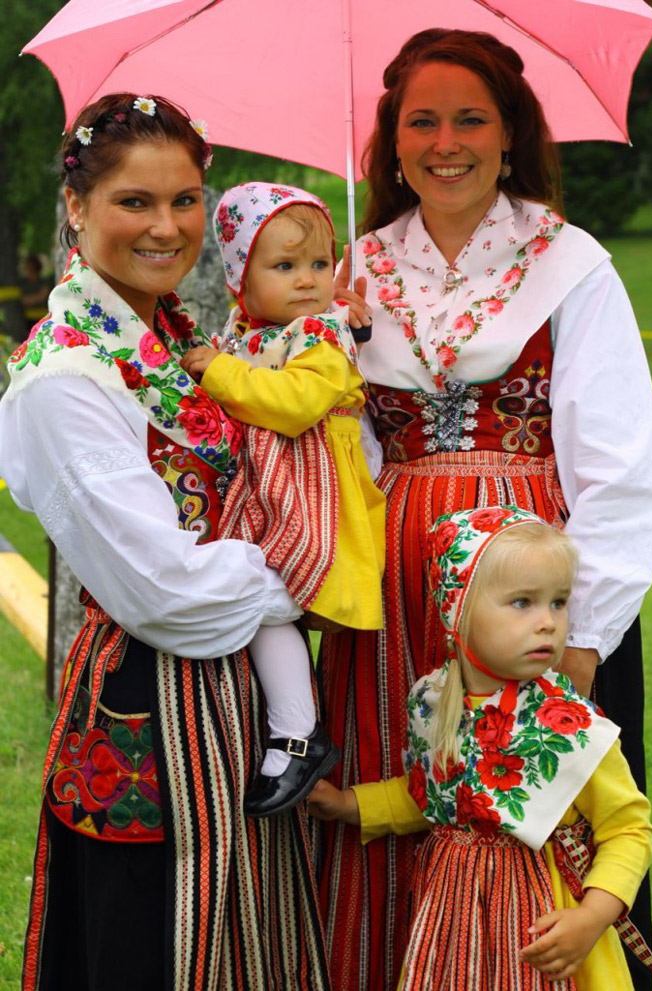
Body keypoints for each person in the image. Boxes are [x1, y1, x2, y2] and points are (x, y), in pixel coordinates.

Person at [319, 28, 652, 991]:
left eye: (471, 117)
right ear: (392, 141)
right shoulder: (356, 271)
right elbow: (345, 445)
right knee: (407, 793)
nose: (445, 140)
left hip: (528, 585)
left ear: (511, 133)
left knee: (541, 827)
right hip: (393, 594)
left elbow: (622, 463)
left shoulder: (569, 260)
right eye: (420, 120)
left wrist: (585, 633)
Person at [0, 94, 332, 990]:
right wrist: (305, 571)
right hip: (151, 700)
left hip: (238, 700)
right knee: (151, 942)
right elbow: (165, 591)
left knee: (251, 939)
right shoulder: (65, 374)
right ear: (76, 206)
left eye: (185, 200)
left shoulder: (172, 331)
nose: (167, 226)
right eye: (134, 202)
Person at [311, 506, 652, 990]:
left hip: (542, 919)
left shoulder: (570, 725)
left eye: (558, 603)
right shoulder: (433, 703)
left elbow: (628, 830)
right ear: (459, 610)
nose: (548, 623)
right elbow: (429, 796)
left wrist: (592, 916)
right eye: (522, 603)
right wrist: (350, 804)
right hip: (453, 920)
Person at [180, 182, 385, 817]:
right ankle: (286, 727)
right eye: (285, 265)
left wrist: (212, 369)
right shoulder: (244, 332)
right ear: (242, 276)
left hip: (314, 498)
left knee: (275, 600)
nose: (308, 281)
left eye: (320, 265)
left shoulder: (321, 336)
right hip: (266, 494)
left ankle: (297, 733)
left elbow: (294, 406)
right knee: (263, 604)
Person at [19, 254, 52, 338]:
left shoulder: (43, 282)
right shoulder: (23, 283)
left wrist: (31, 299)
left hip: (41, 318)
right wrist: (34, 298)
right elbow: (23, 300)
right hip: (27, 319)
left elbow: (41, 297)